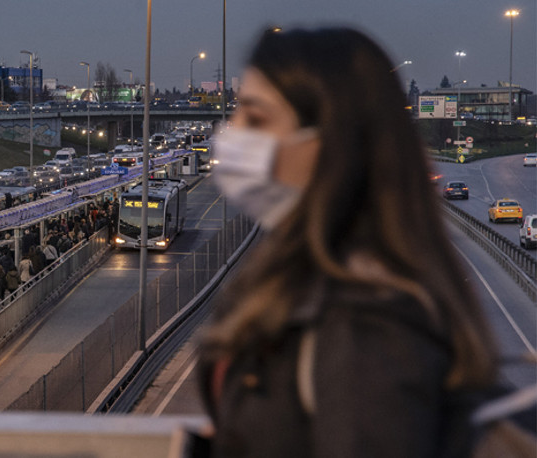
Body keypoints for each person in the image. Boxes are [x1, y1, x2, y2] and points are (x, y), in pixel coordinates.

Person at [197, 28, 498, 458]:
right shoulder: (300, 276)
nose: (230, 135)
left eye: (257, 119)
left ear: (330, 145)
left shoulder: (367, 330)